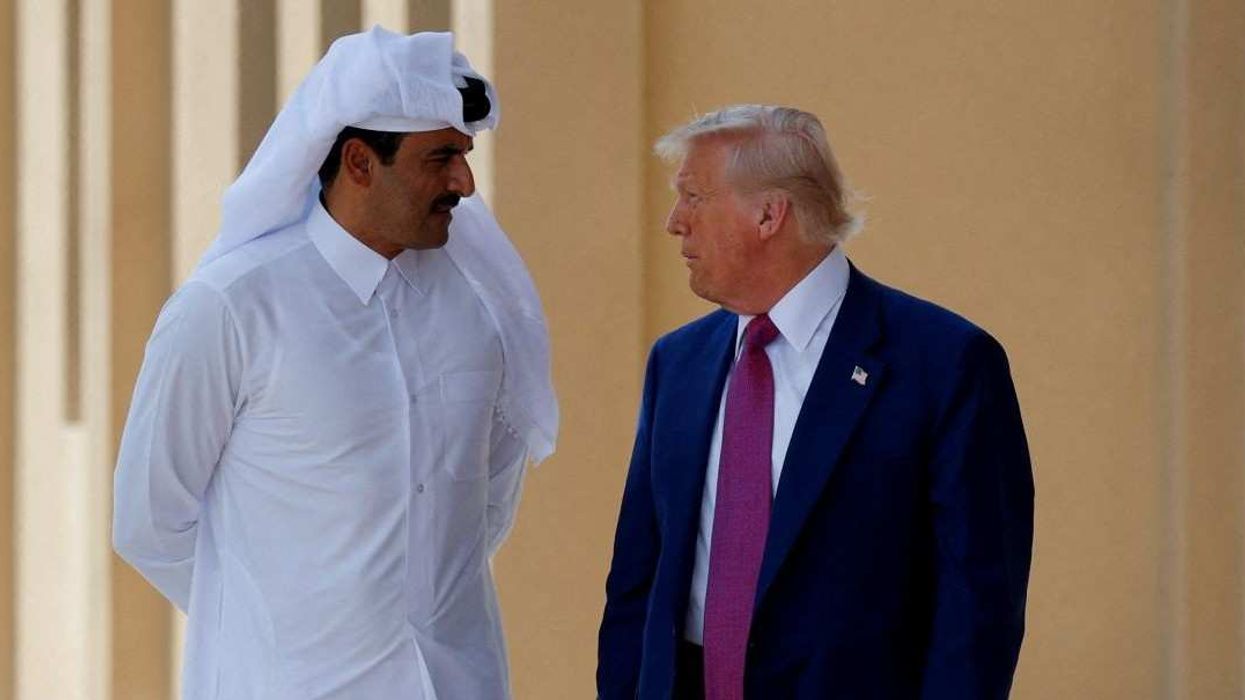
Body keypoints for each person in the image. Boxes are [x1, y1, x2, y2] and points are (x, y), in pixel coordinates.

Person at [112, 28, 557, 700]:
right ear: (357, 161)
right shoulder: (232, 307)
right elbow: (149, 521)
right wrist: (280, 627)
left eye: (464, 156)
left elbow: (486, 499)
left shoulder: (477, 306)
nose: (463, 182)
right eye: (439, 158)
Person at [597, 105, 1032, 699]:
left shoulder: (944, 363)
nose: (675, 222)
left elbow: (979, 609)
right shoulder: (677, 363)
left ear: (769, 215)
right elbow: (636, 585)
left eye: (693, 197)